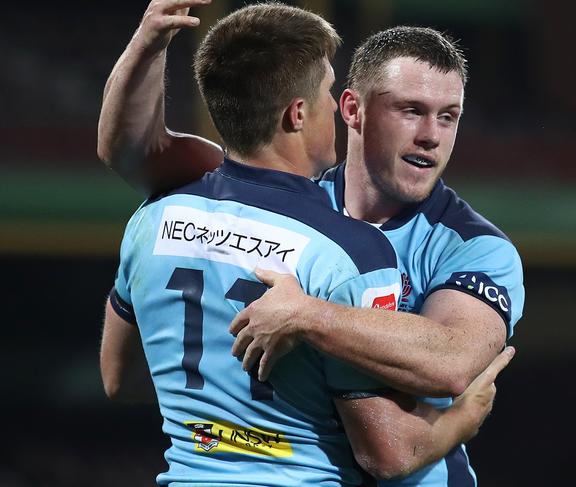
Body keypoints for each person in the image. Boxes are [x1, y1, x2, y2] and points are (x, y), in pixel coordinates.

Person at [99, 1, 514, 486]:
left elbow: (121, 377)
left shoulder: (157, 217)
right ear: (344, 109)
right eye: (410, 111)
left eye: (449, 117)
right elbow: (389, 454)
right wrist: (459, 421)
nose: (430, 136)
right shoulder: (352, 254)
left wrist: (227, 414)